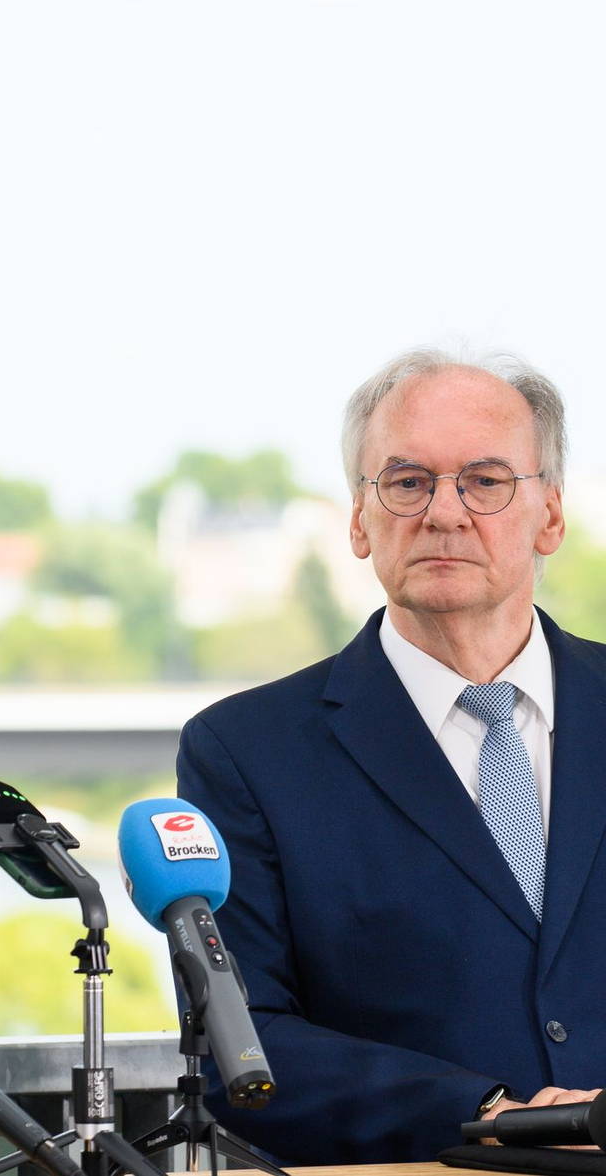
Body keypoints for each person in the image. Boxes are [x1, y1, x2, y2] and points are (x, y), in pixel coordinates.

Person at [177, 347, 606, 1163]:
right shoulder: (244, 753)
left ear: (550, 512)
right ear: (357, 518)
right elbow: (242, 1044)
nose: (444, 512)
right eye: (407, 482)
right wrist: (493, 1113)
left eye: (485, 480)